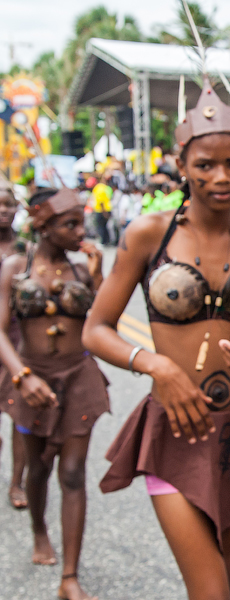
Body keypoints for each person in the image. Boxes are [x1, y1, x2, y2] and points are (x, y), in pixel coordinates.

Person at [82, 74, 230, 600]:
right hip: (177, 431)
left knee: (225, 587)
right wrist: (156, 365)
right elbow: (95, 330)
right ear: (181, 164)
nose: (221, 177)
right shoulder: (149, 233)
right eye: (205, 164)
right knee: (209, 590)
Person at [0, 187, 105, 600]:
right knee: (39, 469)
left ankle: (70, 576)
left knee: (74, 474)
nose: (80, 231)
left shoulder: (81, 269)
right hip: (32, 378)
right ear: (43, 225)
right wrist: (22, 376)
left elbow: (98, 322)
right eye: (70, 224)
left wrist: (96, 275)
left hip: (78, 377)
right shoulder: (13, 267)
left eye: (81, 222)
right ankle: (40, 530)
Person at [0, 183, 27, 510]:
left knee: (20, 417)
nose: (4, 210)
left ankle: (17, 482)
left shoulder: (27, 250)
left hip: (18, 344)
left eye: (9, 204)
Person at [90, 175, 113, 246]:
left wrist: (104, 212)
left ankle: (103, 242)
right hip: (106, 209)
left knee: (101, 226)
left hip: (102, 210)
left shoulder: (99, 188)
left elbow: (101, 202)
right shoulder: (107, 188)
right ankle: (106, 241)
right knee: (105, 226)